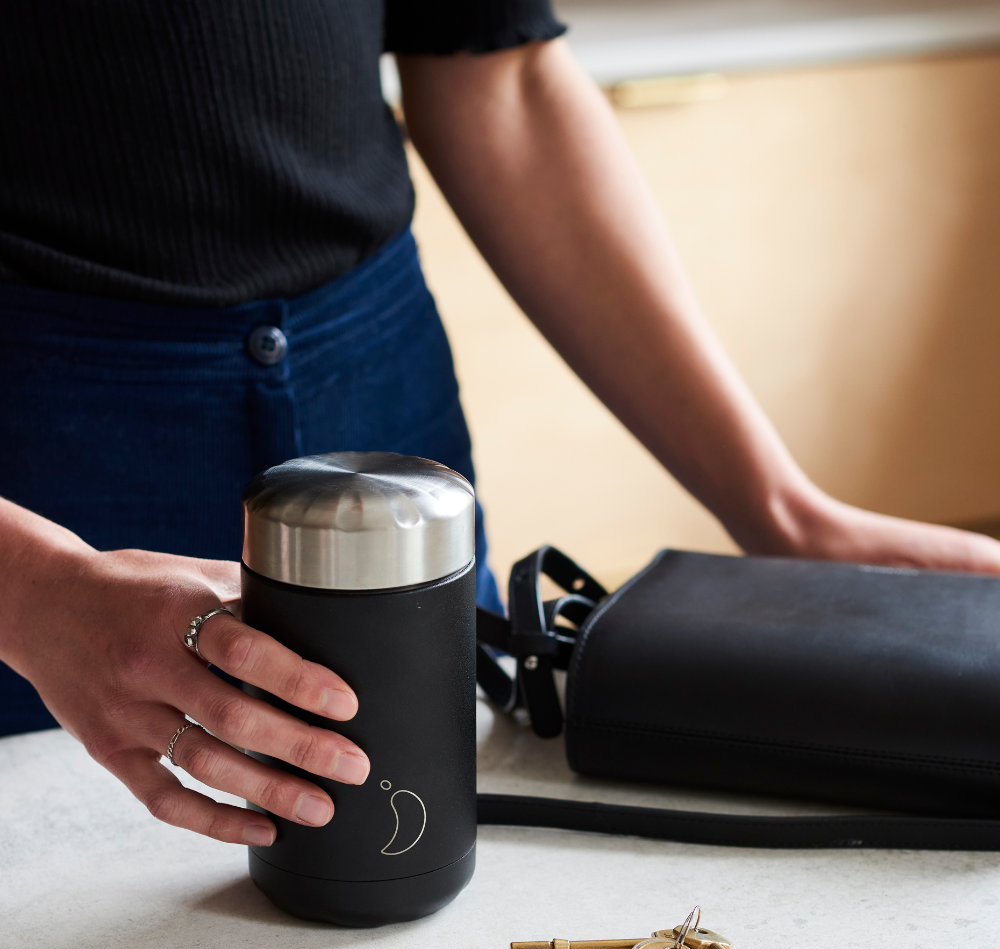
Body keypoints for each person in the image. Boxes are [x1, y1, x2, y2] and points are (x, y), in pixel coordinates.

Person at [2, 1, 999, 849]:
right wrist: (31, 588)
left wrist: (783, 511)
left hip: (377, 377)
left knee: (436, 857)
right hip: (43, 444)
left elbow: (499, 71)